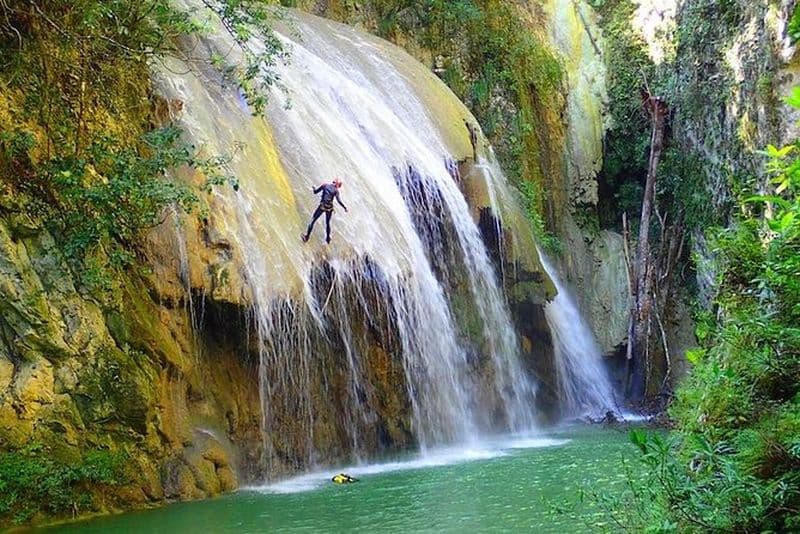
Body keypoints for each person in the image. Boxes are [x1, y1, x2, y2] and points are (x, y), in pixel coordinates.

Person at [301, 179, 348, 244]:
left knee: (313, 220)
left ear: (333, 182)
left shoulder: (325, 185)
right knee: (327, 223)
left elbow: (315, 192)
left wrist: (314, 188)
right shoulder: (336, 191)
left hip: (322, 206)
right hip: (329, 208)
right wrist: (344, 207)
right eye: (339, 186)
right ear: (337, 185)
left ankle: (306, 237)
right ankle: (328, 238)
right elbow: (339, 201)